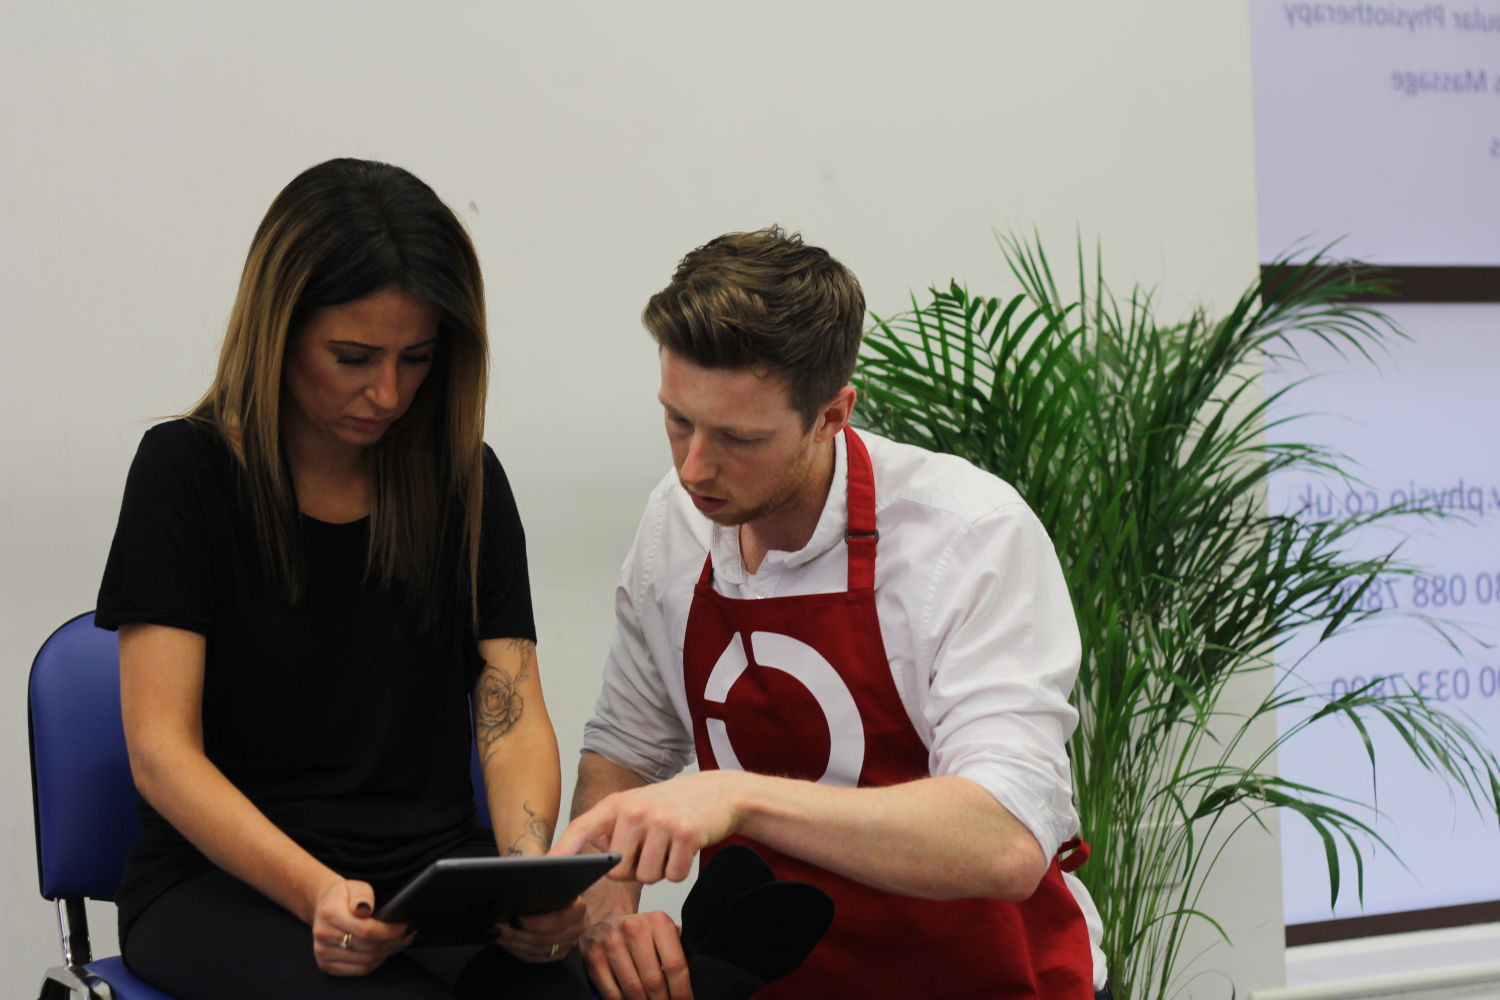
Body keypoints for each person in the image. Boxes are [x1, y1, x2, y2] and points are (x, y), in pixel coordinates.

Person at [551, 227, 1109, 1000]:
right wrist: (607, 907)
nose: (692, 468)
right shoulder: (673, 527)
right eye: (678, 419)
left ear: (832, 414)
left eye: (739, 438)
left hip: (988, 980)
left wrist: (736, 795)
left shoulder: (968, 534)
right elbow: (625, 748)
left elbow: (1005, 838)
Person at [96, 158, 589, 1000]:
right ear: (278, 329)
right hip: (223, 885)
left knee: (568, 987)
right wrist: (315, 891)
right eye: (353, 356)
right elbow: (162, 757)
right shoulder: (184, 473)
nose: (388, 393)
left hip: (424, 876)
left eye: (418, 358)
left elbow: (509, 713)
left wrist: (528, 877)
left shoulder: (466, 483)